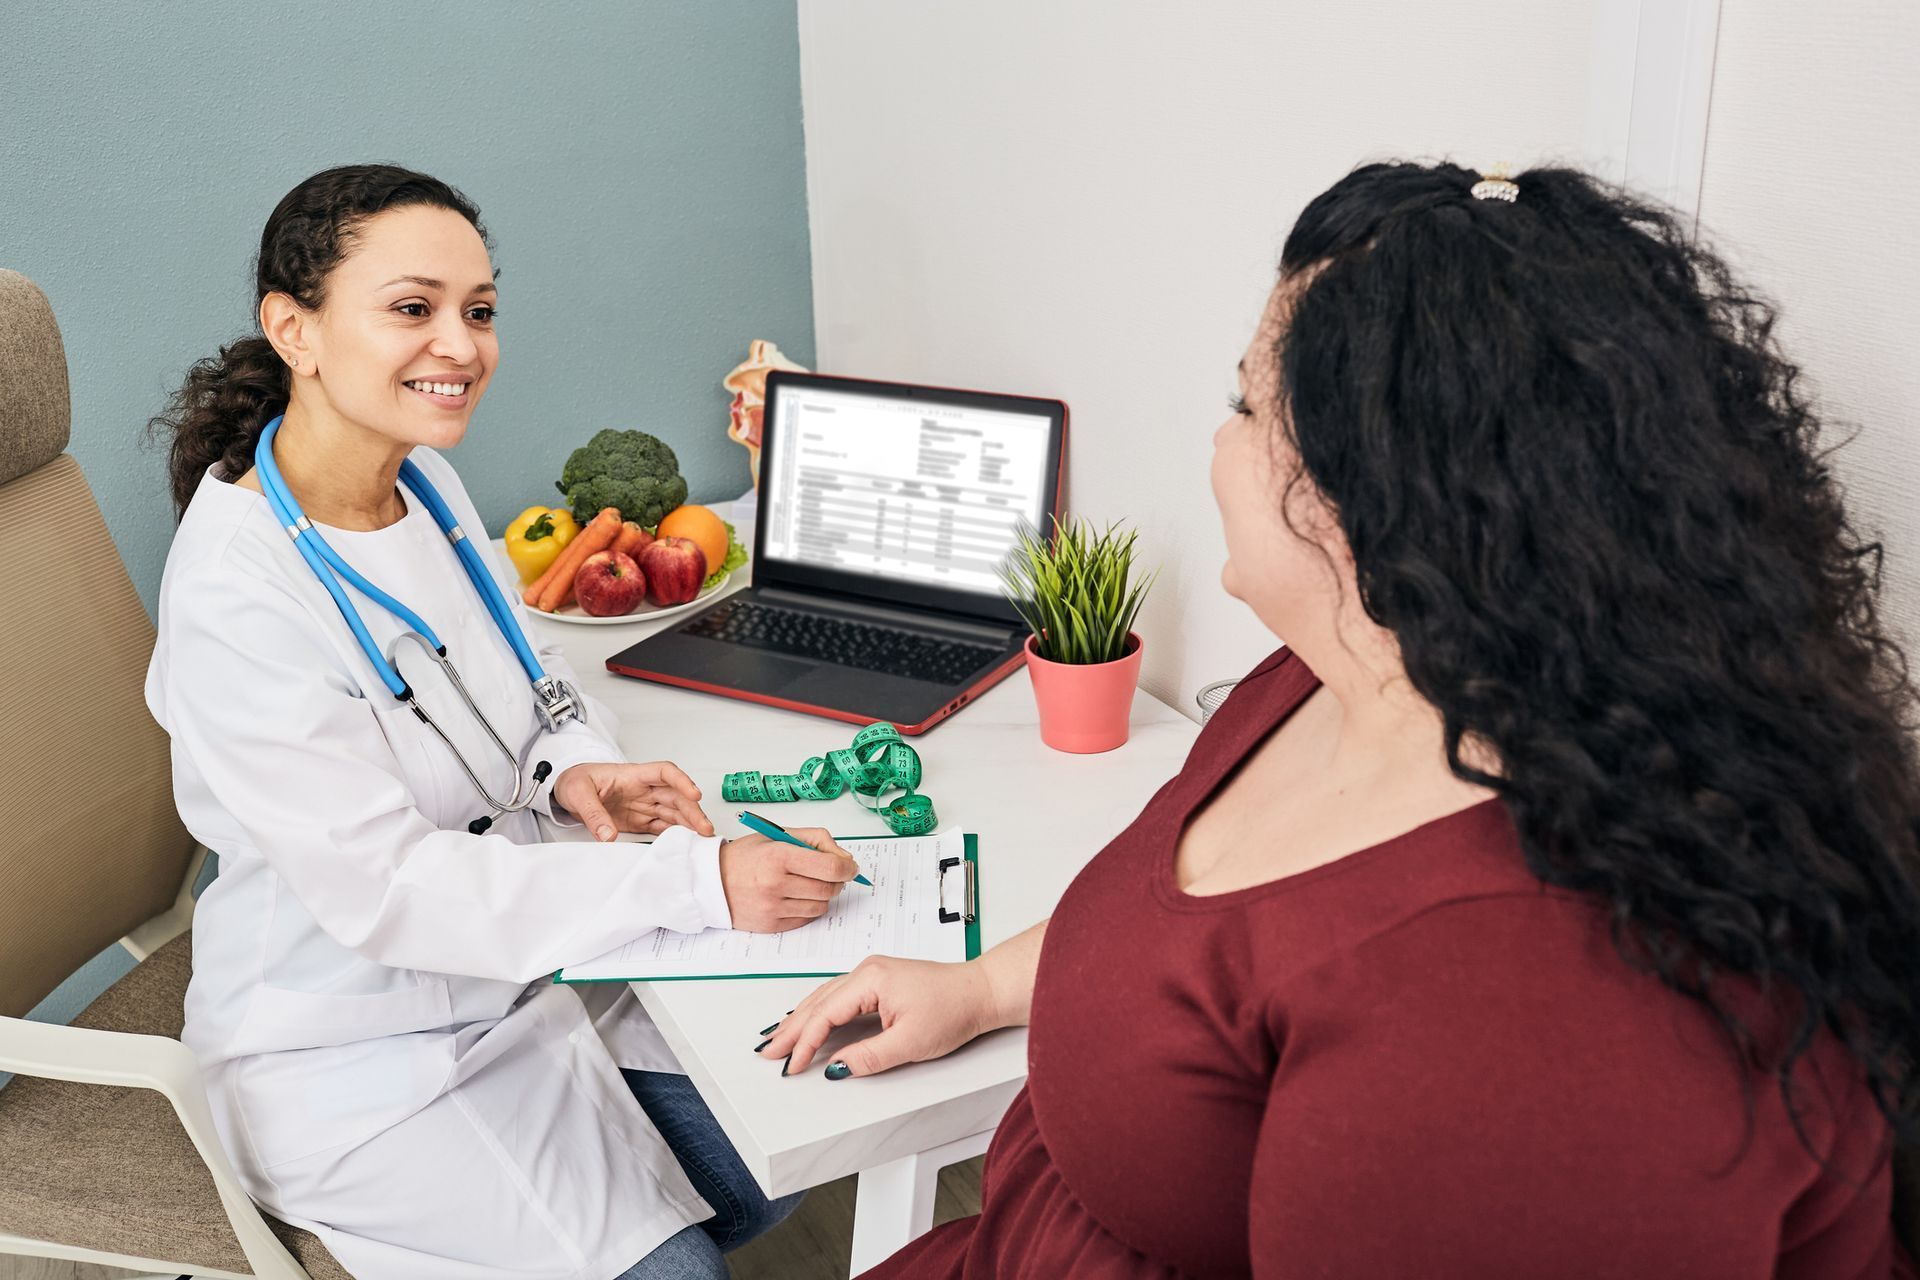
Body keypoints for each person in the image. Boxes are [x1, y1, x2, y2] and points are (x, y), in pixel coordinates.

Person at [755, 162, 1920, 1278]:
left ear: (1379, 494)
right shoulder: (1350, 668)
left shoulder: (1522, 1024)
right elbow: (1214, 928)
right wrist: (986, 985)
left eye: (1247, 405)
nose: (1218, 443)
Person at [144, 164, 858, 1280]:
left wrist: (573, 770)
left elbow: (530, 684)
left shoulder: (425, 481)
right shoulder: (238, 591)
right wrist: (698, 880)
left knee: (810, 1100)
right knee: (680, 1269)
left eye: (479, 310)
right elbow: (391, 890)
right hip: (354, 1046)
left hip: (522, 973)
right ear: (295, 327)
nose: (462, 345)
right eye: (413, 308)